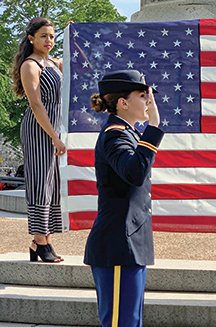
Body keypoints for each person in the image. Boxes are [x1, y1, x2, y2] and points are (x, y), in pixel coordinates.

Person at [84, 70, 164, 327]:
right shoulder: (115, 134)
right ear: (123, 103)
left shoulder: (127, 133)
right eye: (143, 95)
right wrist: (153, 128)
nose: (149, 102)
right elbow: (134, 172)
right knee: (122, 323)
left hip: (129, 246)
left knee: (130, 321)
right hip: (119, 245)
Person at [11, 17, 66, 262]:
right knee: (40, 182)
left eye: (53, 36)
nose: (49, 41)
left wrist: (72, 33)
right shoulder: (30, 65)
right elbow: (36, 104)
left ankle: (44, 241)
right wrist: (54, 137)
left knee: (53, 184)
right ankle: (39, 240)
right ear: (31, 37)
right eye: (44, 36)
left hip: (55, 128)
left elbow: (84, 64)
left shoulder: (55, 63)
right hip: (39, 128)